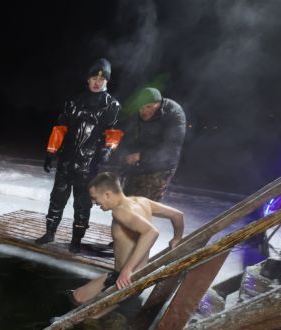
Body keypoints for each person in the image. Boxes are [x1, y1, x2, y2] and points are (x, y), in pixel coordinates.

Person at [36, 58, 123, 253]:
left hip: (89, 164)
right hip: (66, 160)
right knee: (57, 198)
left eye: (102, 79)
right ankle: (49, 232)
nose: (97, 82)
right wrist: (50, 152)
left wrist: (109, 149)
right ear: (88, 79)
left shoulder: (112, 105)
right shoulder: (73, 102)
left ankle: (76, 239)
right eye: (94, 78)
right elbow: (60, 129)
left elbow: (114, 132)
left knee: (83, 203)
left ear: (107, 82)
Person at [70, 173, 184, 305]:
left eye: (94, 198)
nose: (94, 203)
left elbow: (151, 232)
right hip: (123, 275)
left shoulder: (120, 211)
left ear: (107, 194)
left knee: (86, 311)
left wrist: (127, 270)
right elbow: (177, 215)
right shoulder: (142, 201)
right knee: (77, 296)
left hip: (126, 280)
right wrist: (177, 238)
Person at [118, 87, 187, 202]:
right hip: (137, 165)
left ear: (158, 104)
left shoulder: (174, 113)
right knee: (127, 201)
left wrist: (141, 156)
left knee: (144, 203)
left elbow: (170, 149)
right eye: (141, 107)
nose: (144, 111)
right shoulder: (137, 113)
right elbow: (128, 134)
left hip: (161, 167)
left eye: (149, 106)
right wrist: (123, 153)